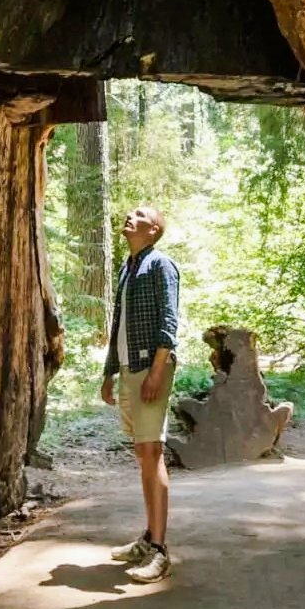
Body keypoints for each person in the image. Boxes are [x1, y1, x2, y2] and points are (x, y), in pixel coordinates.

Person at [100, 204, 180, 582]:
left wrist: (156, 371)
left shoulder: (160, 265)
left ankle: (161, 550)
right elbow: (118, 325)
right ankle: (149, 537)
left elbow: (168, 320)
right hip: (130, 369)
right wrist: (109, 373)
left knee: (152, 450)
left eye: (140, 214)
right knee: (142, 452)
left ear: (154, 230)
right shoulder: (127, 268)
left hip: (152, 367)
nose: (130, 216)